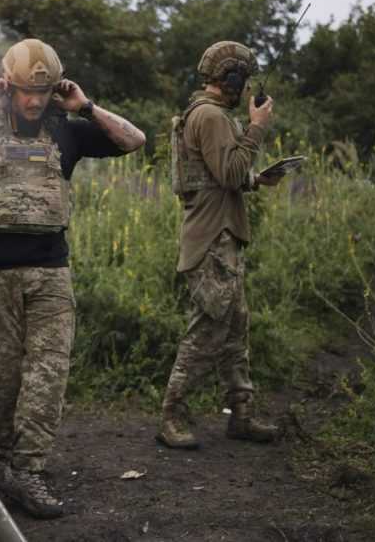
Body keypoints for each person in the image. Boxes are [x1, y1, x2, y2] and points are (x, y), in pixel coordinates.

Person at [0, 38, 145, 518]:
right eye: (24, 91)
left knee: (48, 371)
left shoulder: (67, 130)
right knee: (2, 378)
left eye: (42, 93)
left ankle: (28, 469)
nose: (34, 101)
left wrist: (85, 106)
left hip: (49, 272)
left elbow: (134, 140)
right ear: (9, 84)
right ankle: (7, 464)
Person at [158, 40, 284, 450]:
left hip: (221, 236)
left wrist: (257, 179)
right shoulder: (211, 116)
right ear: (229, 78)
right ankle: (172, 415)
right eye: (242, 80)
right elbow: (229, 173)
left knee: (234, 329)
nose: (245, 88)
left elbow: (218, 175)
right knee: (208, 329)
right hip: (212, 240)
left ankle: (241, 413)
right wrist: (257, 128)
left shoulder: (208, 115)